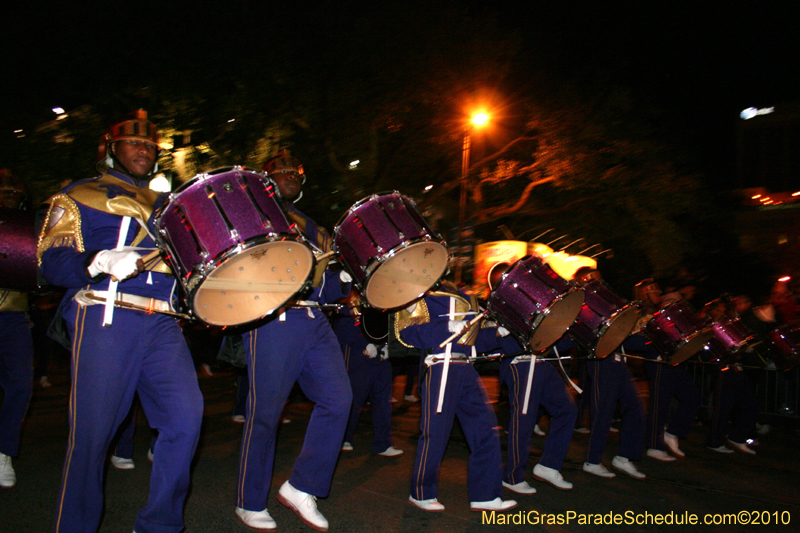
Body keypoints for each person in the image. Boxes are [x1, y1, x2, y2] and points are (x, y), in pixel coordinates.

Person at [37, 110, 204, 533]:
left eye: (150, 145)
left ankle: (159, 525)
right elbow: (49, 261)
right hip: (106, 315)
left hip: (164, 324)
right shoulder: (80, 193)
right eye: (134, 143)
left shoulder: (171, 206)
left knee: (186, 419)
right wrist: (96, 260)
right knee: (92, 438)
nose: (144, 149)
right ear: (111, 149)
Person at [233, 150, 352, 532]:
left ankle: (302, 486)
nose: (290, 175)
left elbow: (326, 286)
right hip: (272, 317)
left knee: (339, 399)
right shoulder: (252, 215)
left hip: (314, 319)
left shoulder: (314, 227)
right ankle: (249, 501)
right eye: (281, 170)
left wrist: (344, 279)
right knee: (265, 414)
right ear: (266, 178)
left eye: (296, 171)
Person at [394, 280, 517, 513]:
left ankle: (486, 496)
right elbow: (408, 334)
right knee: (436, 434)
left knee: (485, 430)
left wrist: (497, 334)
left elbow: (472, 341)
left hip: (466, 369)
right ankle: (421, 492)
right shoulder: (419, 293)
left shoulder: (468, 298)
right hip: (440, 368)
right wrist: (446, 327)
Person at [497, 335, 577, 494]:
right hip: (520, 361)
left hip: (541, 361)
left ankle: (549, 465)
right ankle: (513, 476)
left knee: (567, 409)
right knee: (524, 419)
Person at [332, 290, 402, 456]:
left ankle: (383, 443)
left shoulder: (382, 299)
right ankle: (344, 438)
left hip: (380, 357)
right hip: (359, 357)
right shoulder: (349, 300)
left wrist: (386, 345)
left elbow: (386, 324)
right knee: (355, 400)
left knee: (383, 402)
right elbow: (342, 328)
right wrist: (364, 343)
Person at [0, 169, 35, 488]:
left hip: (14, 315)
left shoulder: (27, 228)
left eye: (15, 192)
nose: (11, 195)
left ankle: (3, 451)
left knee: (21, 383)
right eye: (5, 191)